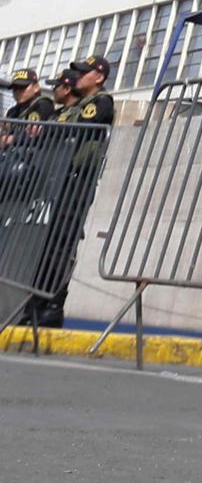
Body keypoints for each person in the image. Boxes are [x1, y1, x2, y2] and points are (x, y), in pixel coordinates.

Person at [34, 56, 116, 327]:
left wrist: (50, 130)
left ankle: (54, 303)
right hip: (58, 180)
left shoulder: (101, 102)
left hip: (77, 181)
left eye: (84, 72)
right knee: (46, 242)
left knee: (62, 242)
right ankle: (37, 299)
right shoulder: (75, 106)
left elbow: (74, 129)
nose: (77, 77)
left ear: (99, 77)